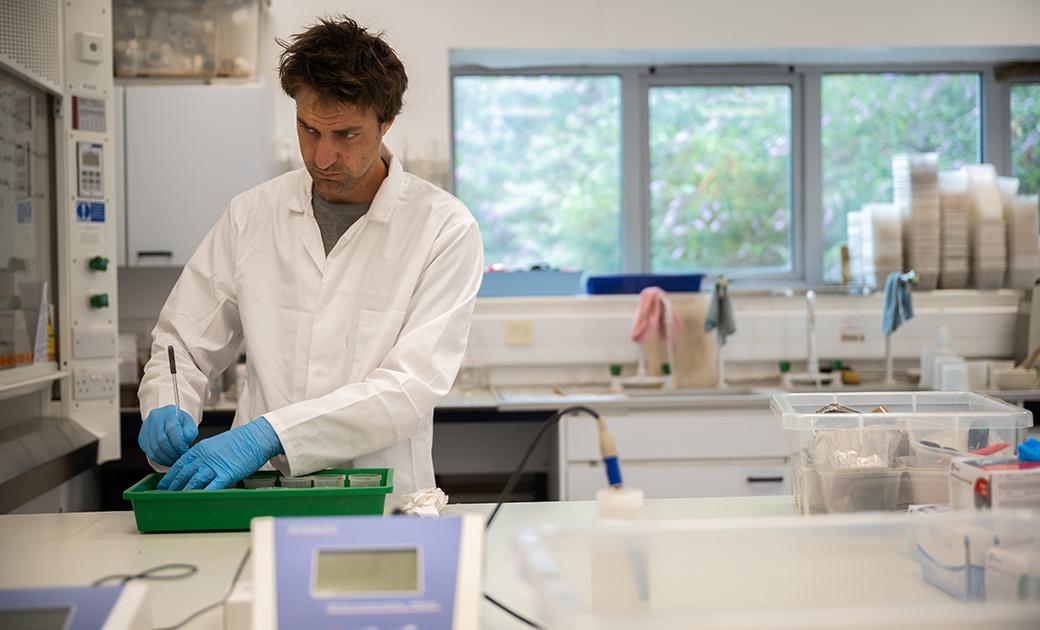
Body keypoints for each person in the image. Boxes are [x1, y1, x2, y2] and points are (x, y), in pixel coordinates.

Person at [136, 16, 483, 497]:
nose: (321, 157)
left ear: (386, 123)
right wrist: (166, 402)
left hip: (382, 500)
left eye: (345, 135)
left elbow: (410, 387)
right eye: (308, 129)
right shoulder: (251, 214)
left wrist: (268, 435)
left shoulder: (443, 228)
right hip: (257, 495)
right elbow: (184, 343)